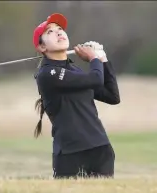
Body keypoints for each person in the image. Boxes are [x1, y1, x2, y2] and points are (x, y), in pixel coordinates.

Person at [32, 13, 120, 179]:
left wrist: (104, 60)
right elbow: (95, 79)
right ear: (42, 47)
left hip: (100, 148)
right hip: (70, 153)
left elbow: (112, 96)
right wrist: (94, 59)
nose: (58, 32)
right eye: (50, 32)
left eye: (60, 29)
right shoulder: (47, 73)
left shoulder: (75, 71)